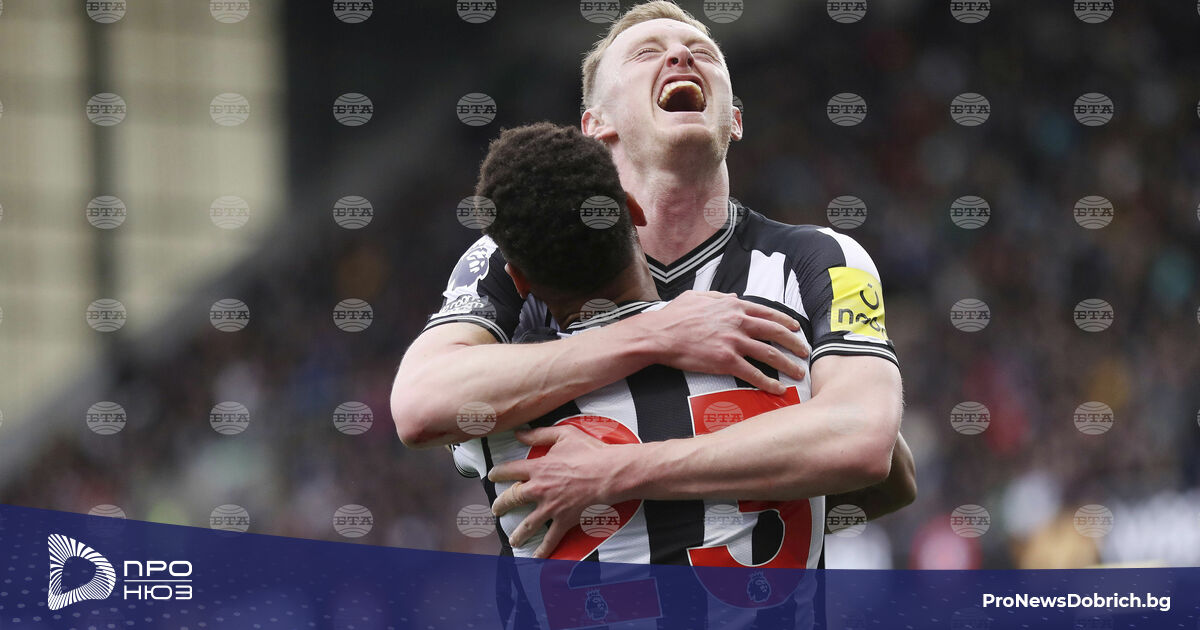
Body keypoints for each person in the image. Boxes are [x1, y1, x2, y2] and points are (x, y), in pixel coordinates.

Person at [392, 0, 912, 561]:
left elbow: (875, 455)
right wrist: (657, 335)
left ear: (735, 120)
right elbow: (421, 405)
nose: (682, 55)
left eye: (703, 53)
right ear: (595, 126)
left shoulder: (822, 257)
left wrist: (626, 471)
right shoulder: (521, 252)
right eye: (647, 53)